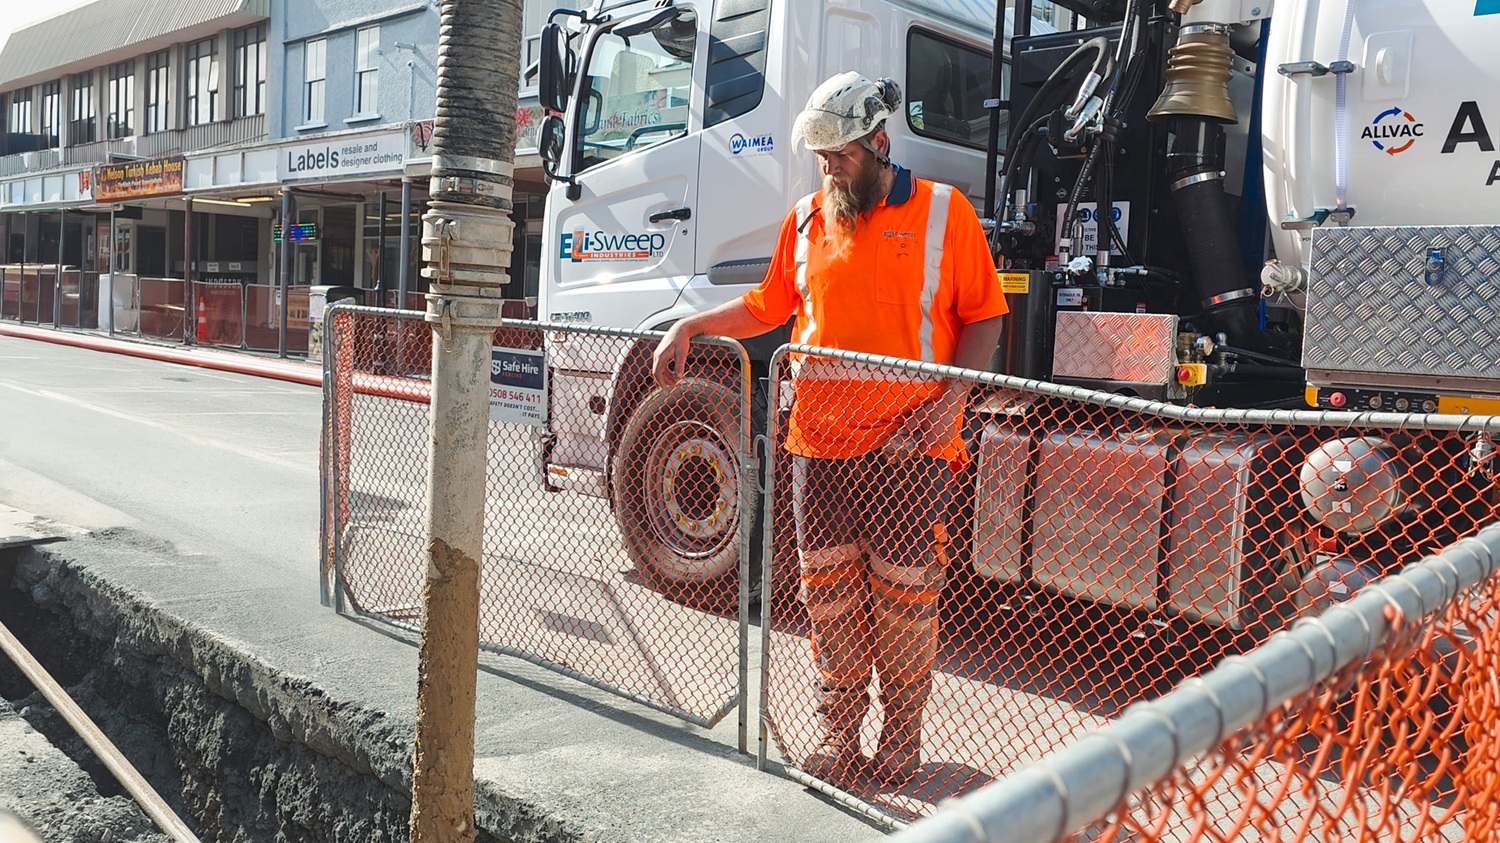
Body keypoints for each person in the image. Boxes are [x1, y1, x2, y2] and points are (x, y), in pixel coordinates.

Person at [651, 71, 1006, 786]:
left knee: (905, 596)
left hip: (912, 445)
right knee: (828, 593)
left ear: (878, 143)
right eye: (820, 157)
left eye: (839, 154)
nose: (827, 167)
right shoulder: (809, 219)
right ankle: (841, 736)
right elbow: (767, 306)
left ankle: (900, 738)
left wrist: (953, 399)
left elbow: (986, 316)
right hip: (819, 442)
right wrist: (693, 323)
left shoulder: (946, 212)